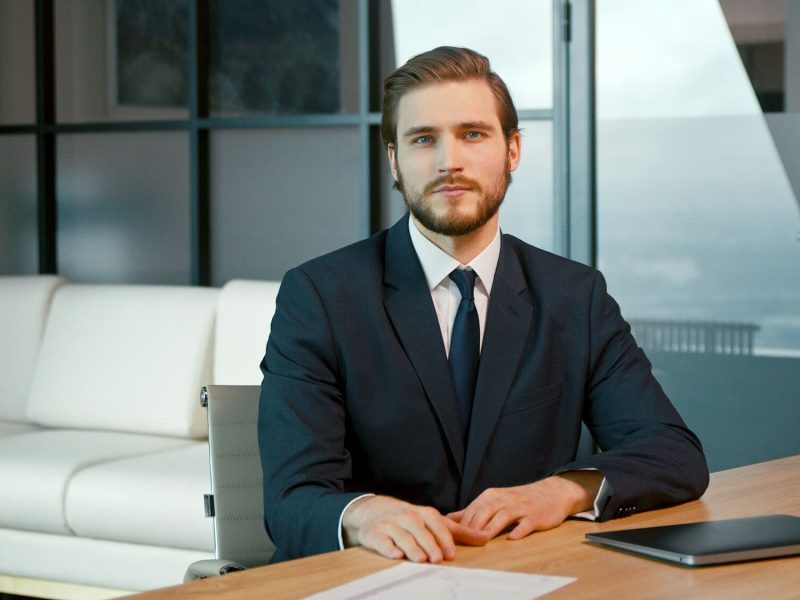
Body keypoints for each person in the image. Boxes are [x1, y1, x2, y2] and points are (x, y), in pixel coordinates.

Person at [258, 46, 708, 564]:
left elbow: (673, 453)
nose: (449, 161)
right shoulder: (319, 296)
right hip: (373, 579)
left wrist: (562, 491)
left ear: (513, 150)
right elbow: (291, 500)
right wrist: (362, 515)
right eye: (423, 139)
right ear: (394, 160)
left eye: (473, 134)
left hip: (527, 574)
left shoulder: (574, 296)